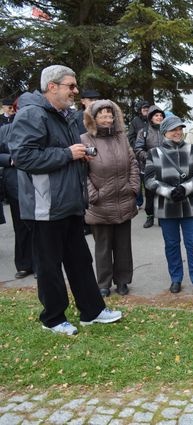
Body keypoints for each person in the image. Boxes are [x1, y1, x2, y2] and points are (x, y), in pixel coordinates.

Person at [10, 64, 122, 335]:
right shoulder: (32, 114)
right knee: (49, 266)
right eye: (70, 86)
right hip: (44, 206)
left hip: (70, 203)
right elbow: (23, 157)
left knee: (79, 260)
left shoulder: (65, 116)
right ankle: (53, 318)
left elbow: (67, 151)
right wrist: (66, 154)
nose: (75, 91)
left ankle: (92, 311)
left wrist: (82, 153)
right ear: (52, 87)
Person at [144, 115, 193, 296]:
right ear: (165, 132)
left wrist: (186, 188)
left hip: (190, 205)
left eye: (180, 129)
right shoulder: (154, 153)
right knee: (171, 245)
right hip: (166, 206)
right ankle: (176, 278)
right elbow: (148, 180)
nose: (177, 132)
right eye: (173, 129)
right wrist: (168, 191)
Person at [81, 99, 139, 297]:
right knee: (103, 246)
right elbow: (82, 172)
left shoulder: (121, 138)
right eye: (102, 115)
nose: (107, 119)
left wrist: (133, 187)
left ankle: (122, 280)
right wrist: (93, 195)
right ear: (93, 118)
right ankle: (103, 283)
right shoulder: (85, 139)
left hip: (124, 199)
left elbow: (132, 163)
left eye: (110, 115)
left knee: (123, 245)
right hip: (100, 203)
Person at [1, 122, 35, 279]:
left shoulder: (37, 127)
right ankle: (24, 264)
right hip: (15, 183)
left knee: (40, 227)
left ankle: (40, 264)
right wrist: (10, 160)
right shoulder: (5, 131)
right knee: (21, 225)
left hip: (37, 182)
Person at [134, 105, 165, 228]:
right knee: (150, 194)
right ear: (151, 117)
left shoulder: (166, 131)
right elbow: (138, 149)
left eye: (161, 115)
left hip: (164, 168)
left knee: (162, 193)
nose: (159, 117)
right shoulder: (144, 132)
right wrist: (150, 157)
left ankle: (162, 217)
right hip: (149, 168)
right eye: (156, 115)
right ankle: (150, 217)